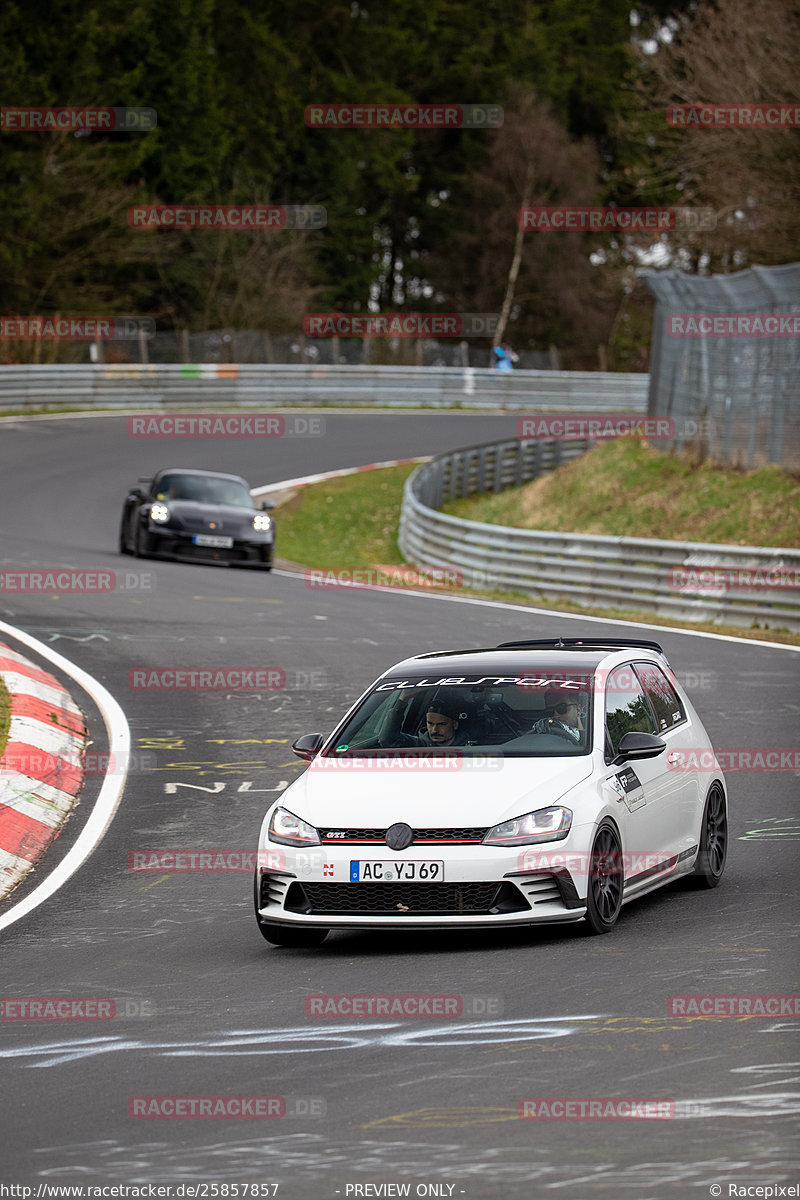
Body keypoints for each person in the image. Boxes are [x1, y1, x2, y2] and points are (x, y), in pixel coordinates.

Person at [377, 691, 472, 748]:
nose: (434, 730)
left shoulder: (472, 746)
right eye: (430, 723)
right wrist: (404, 699)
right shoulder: (418, 745)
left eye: (441, 724)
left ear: (454, 725)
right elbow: (387, 739)